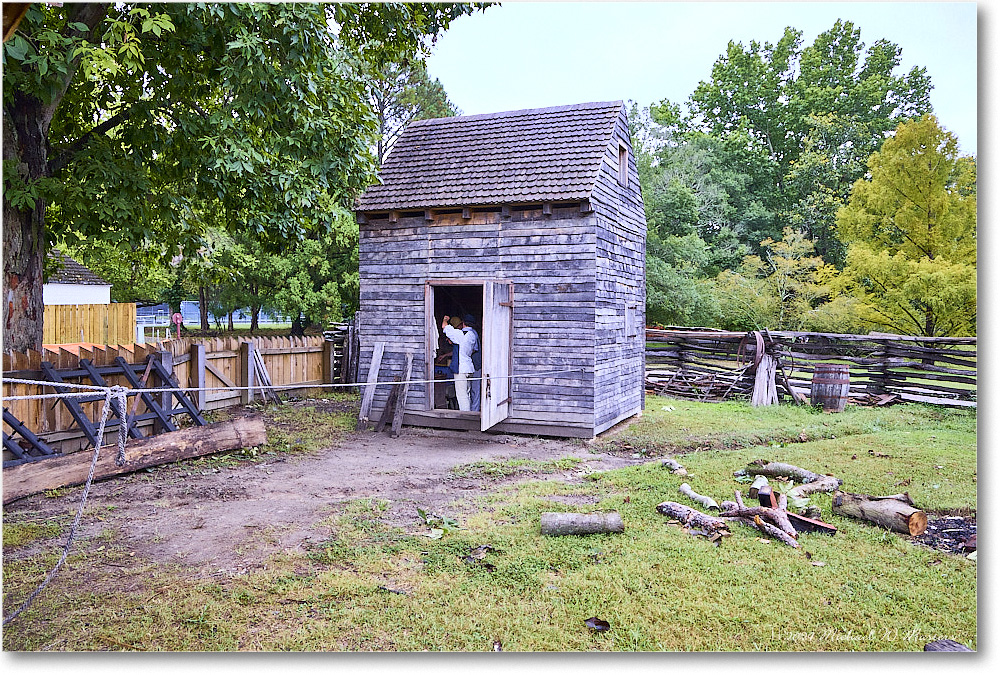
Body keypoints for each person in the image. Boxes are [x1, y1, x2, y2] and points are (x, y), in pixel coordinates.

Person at [441, 314, 480, 411]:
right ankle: (470, 414)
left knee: (462, 396)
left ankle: (465, 417)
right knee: (468, 393)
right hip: (469, 367)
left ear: (463, 323)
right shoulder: (472, 335)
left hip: (461, 368)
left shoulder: (459, 334)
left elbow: (444, 327)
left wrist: (445, 319)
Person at [462, 313, 482, 412]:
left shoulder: (470, 334)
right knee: (472, 390)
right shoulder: (473, 333)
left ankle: (474, 411)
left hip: (475, 365)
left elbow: (473, 349)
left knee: (474, 390)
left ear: (463, 323)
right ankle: (472, 410)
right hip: (473, 365)